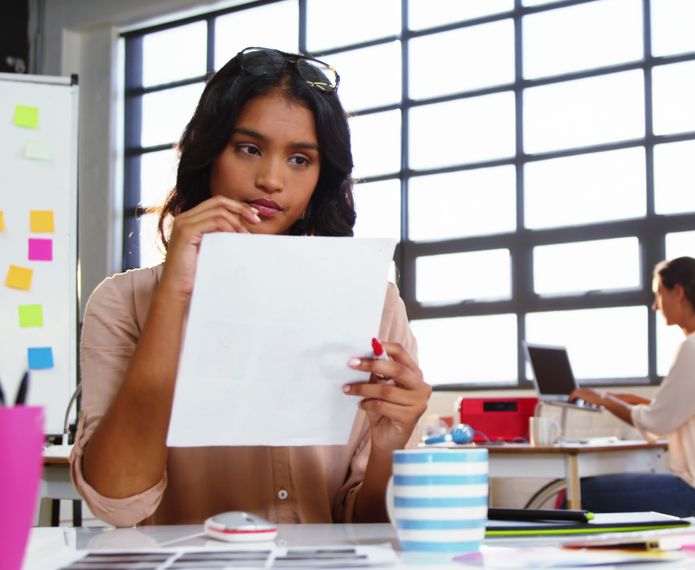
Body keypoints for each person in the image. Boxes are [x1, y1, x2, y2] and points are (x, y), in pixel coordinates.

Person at [71, 47, 431, 527]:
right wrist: (174, 300)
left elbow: (366, 527)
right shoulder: (122, 303)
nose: (271, 180)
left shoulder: (376, 303)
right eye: (249, 149)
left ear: (320, 180)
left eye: (300, 159)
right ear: (209, 154)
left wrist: (390, 445)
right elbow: (117, 501)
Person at [570, 257, 695, 519]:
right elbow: (678, 411)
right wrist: (629, 401)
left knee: (583, 491)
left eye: (659, 294)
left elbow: (656, 423)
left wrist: (603, 399)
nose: (655, 305)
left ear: (679, 292)